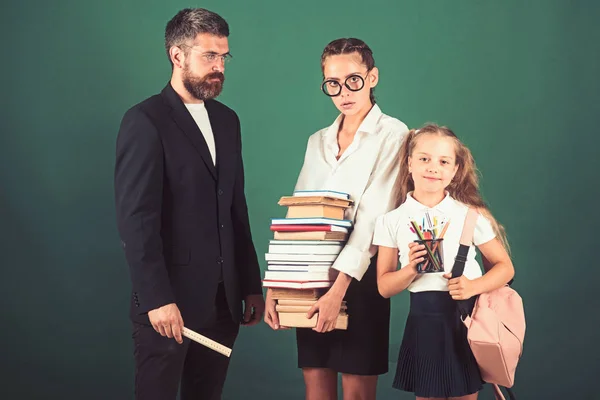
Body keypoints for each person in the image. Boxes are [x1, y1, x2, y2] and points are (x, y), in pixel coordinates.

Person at [114, 8, 264, 400]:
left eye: (223, 56)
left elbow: (235, 209)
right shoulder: (144, 120)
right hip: (168, 306)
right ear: (176, 55)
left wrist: (250, 285)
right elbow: (137, 221)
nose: (219, 67)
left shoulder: (228, 120)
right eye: (208, 56)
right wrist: (157, 299)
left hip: (223, 303)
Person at [264, 38, 409, 400]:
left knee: (358, 391)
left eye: (354, 80)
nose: (344, 92)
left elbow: (376, 216)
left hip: (359, 277)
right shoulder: (319, 140)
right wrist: (277, 286)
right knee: (316, 385)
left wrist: (338, 289)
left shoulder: (393, 133)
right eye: (333, 83)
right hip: (309, 274)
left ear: (372, 77)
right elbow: (300, 215)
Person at [373, 124, 515, 399]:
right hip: (422, 322)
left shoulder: (470, 216)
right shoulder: (390, 221)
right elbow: (384, 287)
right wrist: (410, 270)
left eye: (443, 161)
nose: (433, 167)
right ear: (409, 163)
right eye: (424, 158)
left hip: (464, 320)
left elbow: (505, 268)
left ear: (454, 170)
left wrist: (472, 286)